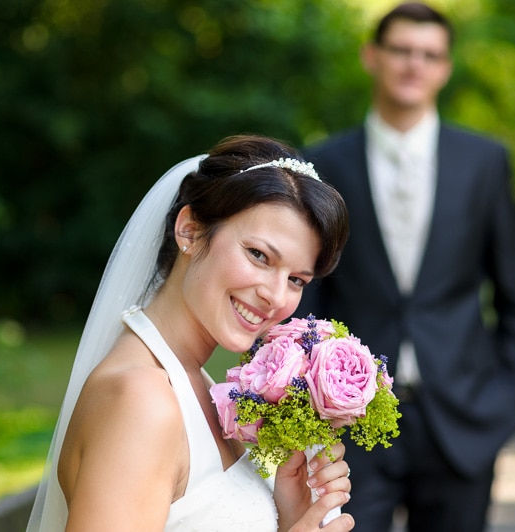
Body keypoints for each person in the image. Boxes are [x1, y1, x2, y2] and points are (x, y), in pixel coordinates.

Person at [27, 134, 356, 531]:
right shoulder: (141, 402)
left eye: (297, 280)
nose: (275, 296)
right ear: (190, 231)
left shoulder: (194, 382)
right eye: (258, 255)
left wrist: (291, 513)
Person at [296, 3, 515, 531]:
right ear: (371, 57)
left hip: (462, 420)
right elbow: (306, 298)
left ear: (445, 68)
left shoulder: (484, 162)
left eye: (429, 55)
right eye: (401, 50)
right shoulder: (322, 165)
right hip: (351, 424)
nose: (414, 65)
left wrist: (507, 402)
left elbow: (514, 295)